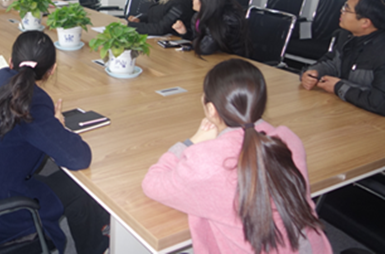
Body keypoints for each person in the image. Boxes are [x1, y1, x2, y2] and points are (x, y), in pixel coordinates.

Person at [0, 31, 109, 254]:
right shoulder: (33, 103)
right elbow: (78, 158)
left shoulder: (0, 78)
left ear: (11, 62)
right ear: (52, 69)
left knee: (55, 177)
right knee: (82, 189)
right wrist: (57, 125)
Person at [142, 59, 332, 254]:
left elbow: (152, 183)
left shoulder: (206, 160)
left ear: (211, 109)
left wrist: (191, 142)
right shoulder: (288, 139)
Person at [301, 0, 385, 116]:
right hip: (345, 110)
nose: (341, 11)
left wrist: (338, 87)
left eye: (347, 9)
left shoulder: (381, 52)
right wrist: (313, 73)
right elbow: (332, 62)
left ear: (365, 22)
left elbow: (380, 102)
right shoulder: (346, 35)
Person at [172, 0, 250, 57]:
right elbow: (199, 39)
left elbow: (204, 48)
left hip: (232, 60)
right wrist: (185, 33)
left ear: (205, 1)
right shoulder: (200, 15)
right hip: (213, 57)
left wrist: (195, 42)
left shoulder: (227, 19)